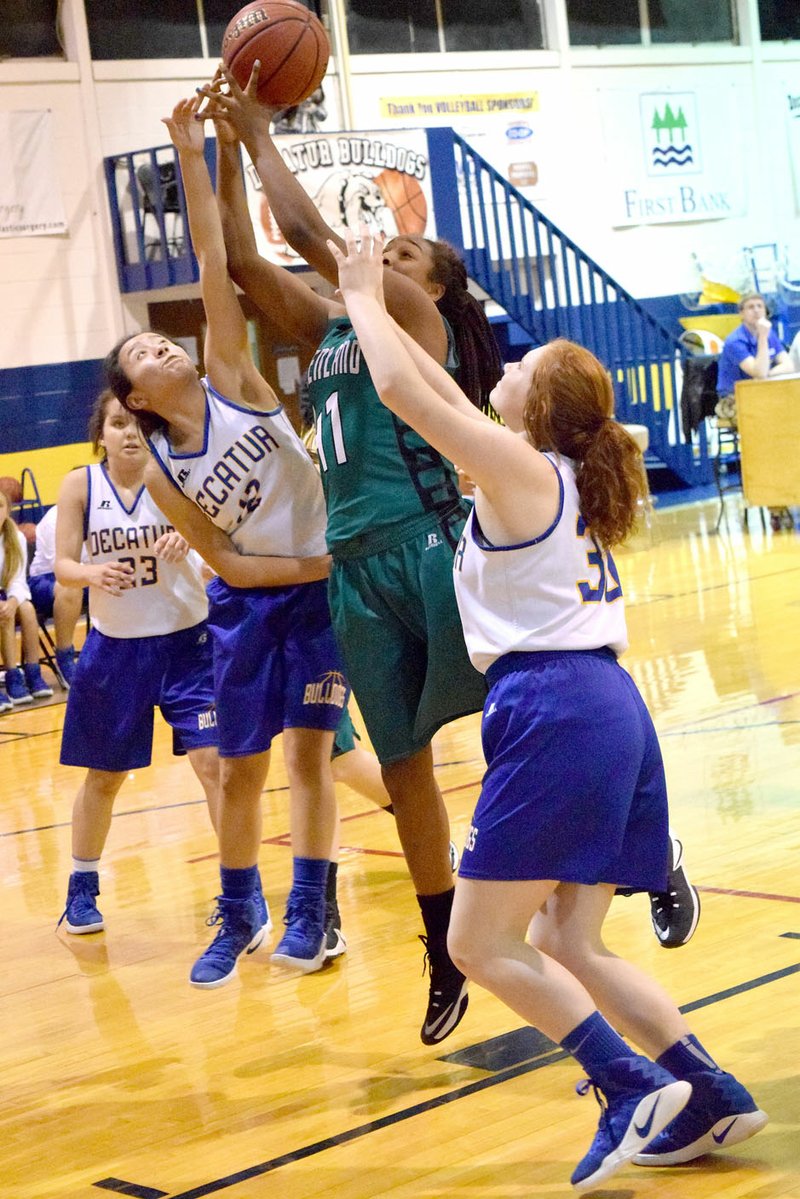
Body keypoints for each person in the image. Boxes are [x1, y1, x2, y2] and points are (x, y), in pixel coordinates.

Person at [327, 227, 768, 1191]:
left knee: (475, 942)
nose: (507, 367)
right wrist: (380, 305)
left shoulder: (522, 474)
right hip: (608, 705)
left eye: (523, 366)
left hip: (555, 705)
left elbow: (403, 391)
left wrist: (362, 292)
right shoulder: (541, 471)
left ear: (537, 405)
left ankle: (622, 1082)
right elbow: (431, 390)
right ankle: (709, 1089)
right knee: (564, 940)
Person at [198, 66, 501, 1045]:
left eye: (407, 248)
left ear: (436, 287)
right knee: (403, 767)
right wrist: (212, 141)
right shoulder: (329, 328)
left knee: (523, 717)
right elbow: (247, 261)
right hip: (351, 564)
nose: (386, 248)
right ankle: (441, 948)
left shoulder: (410, 320)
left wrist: (258, 132)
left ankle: (637, 836)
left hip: (425, 547)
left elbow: (315, 241)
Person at [104, 95, 347, 985]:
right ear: (131, 397)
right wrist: (319, 562)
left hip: (318, 596)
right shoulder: (160, 471)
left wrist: (193, 147)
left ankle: (314, 909)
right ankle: (241, 905)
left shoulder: (231, 374)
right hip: (256, 601)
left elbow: (215, 256)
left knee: (311, 755)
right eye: (140, 354)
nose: (157, 350)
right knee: (241, 771)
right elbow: (230, 561)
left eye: (157, 343)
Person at [54, 389, 225, 938]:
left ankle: (238, 890)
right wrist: (89, 574)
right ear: (100, 432)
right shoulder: (81, 484)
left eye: (136, 423)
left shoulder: (178, 476)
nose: (128, 432)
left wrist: (191, 535)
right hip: (116, 647)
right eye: (116, 423)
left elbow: (217, 545)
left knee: (215, 768)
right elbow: (61, 565)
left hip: (188, 645)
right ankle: (82, 886)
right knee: (105, 776)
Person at [716, 293, 795, 531]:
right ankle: (772, 499)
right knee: (769, 432)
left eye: (760, 306)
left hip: (765, 399)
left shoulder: (770, 335)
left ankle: (788, 489)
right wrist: (762, 338)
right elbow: (758, 371)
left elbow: (788, 364)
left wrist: (767, 372)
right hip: (733, 401)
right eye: (750, 307)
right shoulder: (735, 342)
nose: (756, 311)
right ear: (741, 313)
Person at [0, 485, 54, 707]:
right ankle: (11, 673)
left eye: (0, 506)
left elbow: (18, 581)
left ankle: (31, 673)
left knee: (26, 608)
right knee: (5, 612)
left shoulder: (15, 537)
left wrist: (12, 601)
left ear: (8, 509)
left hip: (6, 594)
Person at [28, 503, 84, 687]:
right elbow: (62, 568)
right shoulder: (55, 519)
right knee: (70, 587)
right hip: (45, 580)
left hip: (88, 574)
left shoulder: (103, 510)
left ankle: (117, 653)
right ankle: (64, 655)